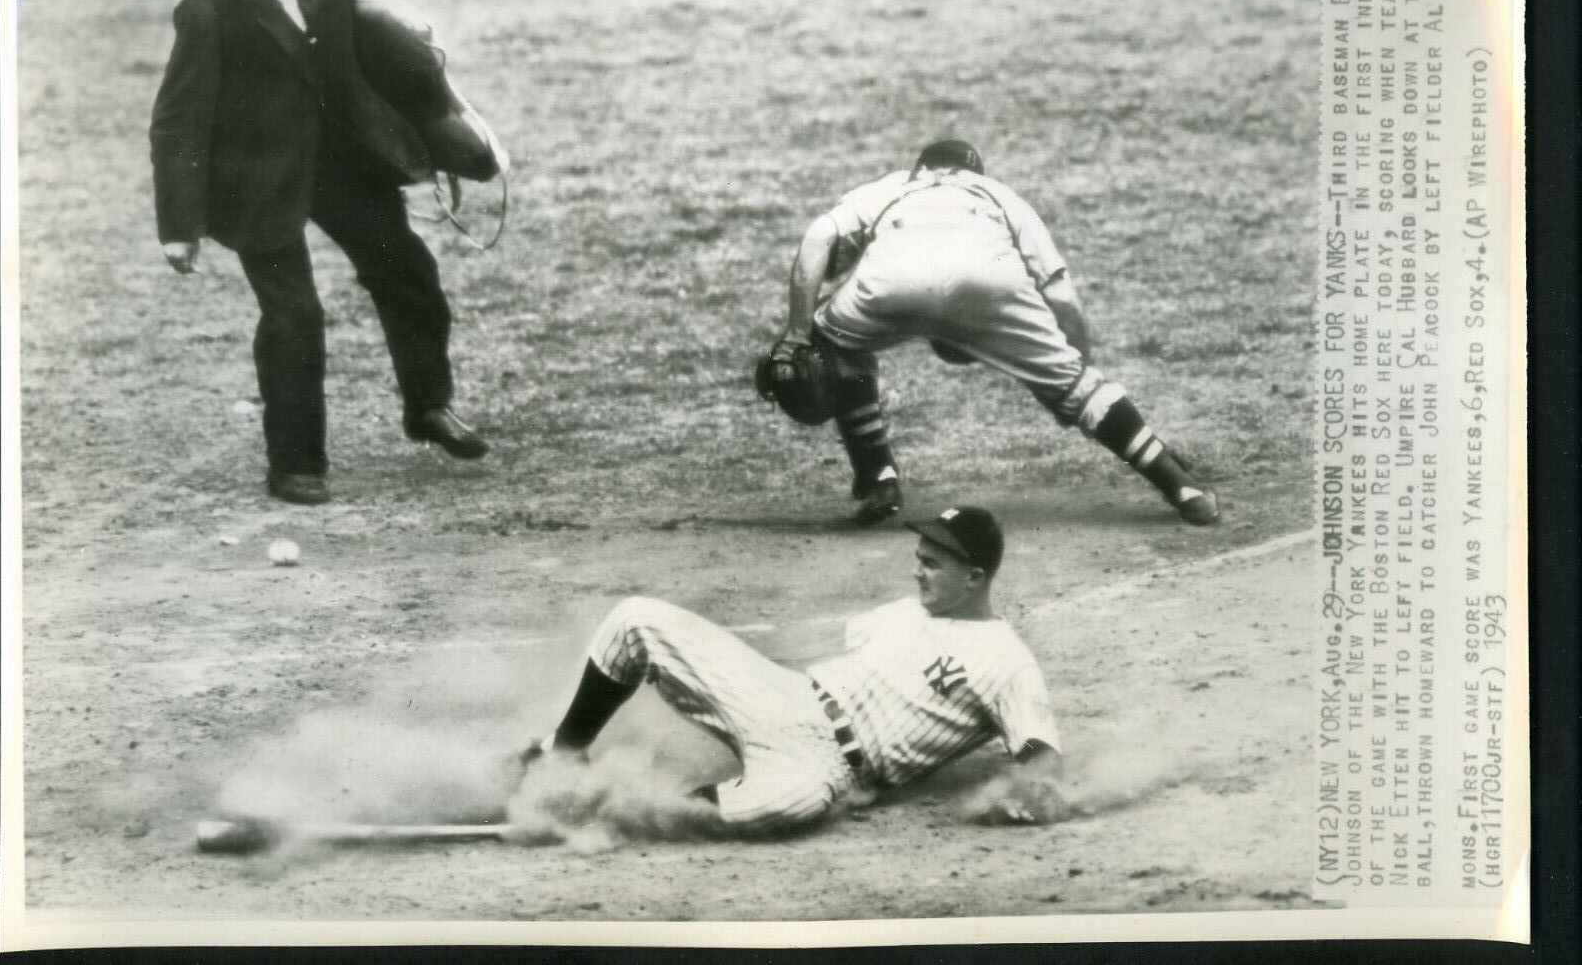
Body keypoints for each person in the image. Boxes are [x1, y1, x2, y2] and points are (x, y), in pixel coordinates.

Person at [150, 0, 489, 505]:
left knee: (407, 268)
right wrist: (179, 224)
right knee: (294, 316)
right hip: (255, 177)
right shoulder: (211, 0)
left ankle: (429, 405)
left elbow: (383, 45)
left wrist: (432, 139)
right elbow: (178, 116)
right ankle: (296, 464)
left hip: (340, 159)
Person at [519, 506, 1068, 832]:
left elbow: (1040, 755)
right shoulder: (899, 615)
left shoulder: (1006, 661)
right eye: (918, 559)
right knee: (636, 618)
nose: (916, 572)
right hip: (787, 694)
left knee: (778, 807)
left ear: (974, 577)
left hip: (829, 769)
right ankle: (560, 757)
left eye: (931, 564)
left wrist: (1021, 794)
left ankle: (617, 808)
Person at [773, 138, 1219, 527]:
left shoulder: (894, 186)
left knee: (832, 344)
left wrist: (797, 335)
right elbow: (1061, 291)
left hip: (891, 283)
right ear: (971, 172)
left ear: (922, 168)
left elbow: (817, 238)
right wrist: (1080, 373)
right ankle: (1182, 488)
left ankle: (877, 476)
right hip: (988, 280)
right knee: (1083, 388)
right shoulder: (998, 193)